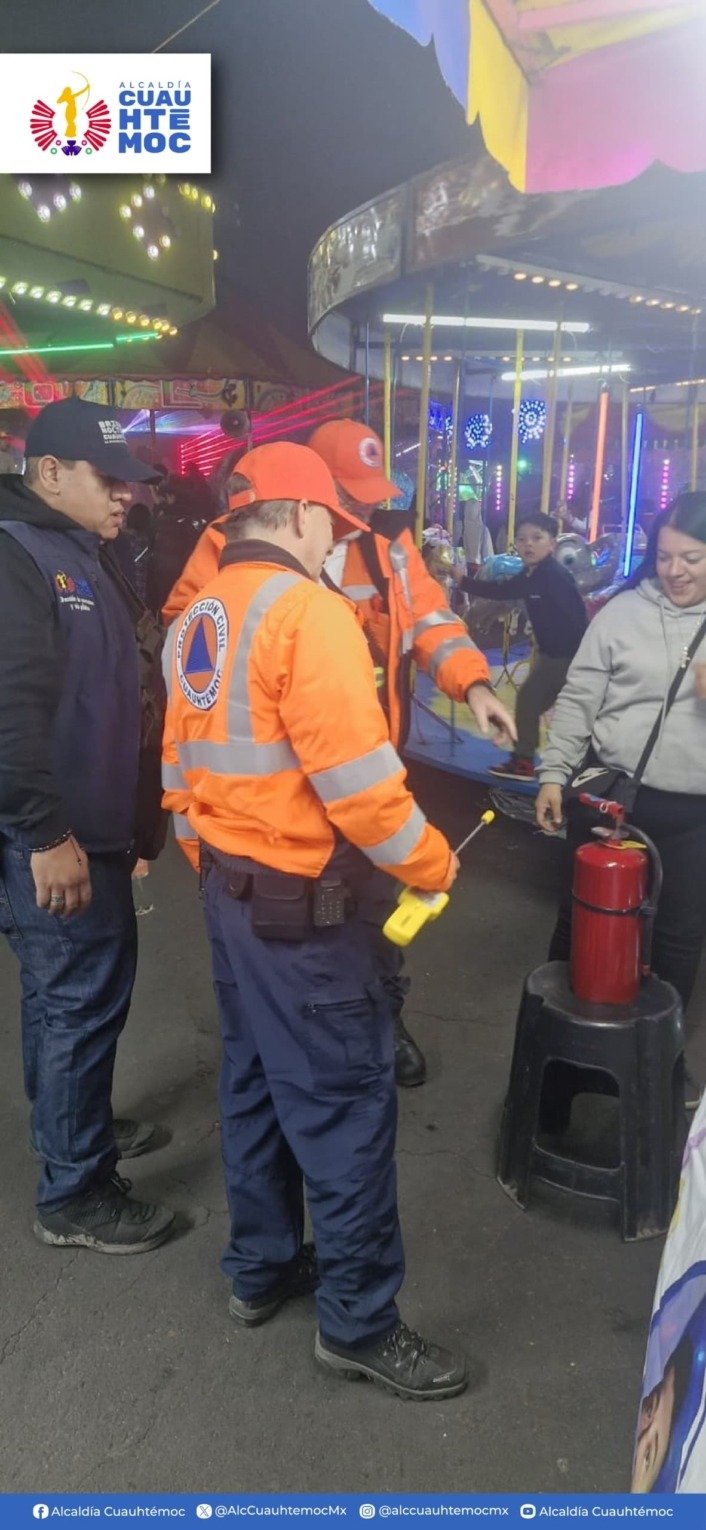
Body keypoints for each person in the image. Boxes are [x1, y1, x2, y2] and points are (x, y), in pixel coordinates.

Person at [162, 442, 469, 1400]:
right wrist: (433, 864)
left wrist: (221, 864)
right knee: (342, 1109)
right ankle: (359, 1324)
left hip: (229, 897)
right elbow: (364, 790)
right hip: (308, 917)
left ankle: (259, 1272)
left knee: (252, 1086)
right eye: (335, 529)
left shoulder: (196, 619)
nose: (340, 545)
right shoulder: (311, 614)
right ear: (299, 517)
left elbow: (177, 771)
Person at [163, 418, 516, 1087]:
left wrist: (471, 683)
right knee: (304, 944)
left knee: (376, 913)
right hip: (279, 800)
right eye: (345, 498)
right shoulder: (230, 542)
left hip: (367, 764)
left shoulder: (388, 547)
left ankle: (382, 1019)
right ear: (308, 497)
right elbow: (191, 651)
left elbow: (430, 621)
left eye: (368, 496)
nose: (358, 512)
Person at [0, 396, 175, 1254]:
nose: (125, 497)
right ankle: (75, 1189)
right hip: (56, 837)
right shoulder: (20, 558)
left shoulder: (89, 552)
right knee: (78, 1001)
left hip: (90, 829)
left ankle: (75, 1129)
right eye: (109, 481)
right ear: (49, 474)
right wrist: (43, 836)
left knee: (61, 998)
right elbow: (11, 711)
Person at [535, 493, 706, 1108]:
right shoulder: (623, 612)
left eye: (691, 557)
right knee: (581, 924)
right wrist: (554, 775)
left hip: (693, 814)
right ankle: (560, 1063)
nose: (675, 570)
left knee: (680, 940)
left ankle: (660, 1062)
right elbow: (579, 698)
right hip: (613, 799)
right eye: (664, 556)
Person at [459, 512, 587, 782]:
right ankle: (531, 760)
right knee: (535, 704)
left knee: (530, 702)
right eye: (522, 539)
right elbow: (499, 591)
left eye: (537, 538)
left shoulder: (555, 576)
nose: (528, 544)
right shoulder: (531, 575)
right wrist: (462, 581)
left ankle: (525, 762)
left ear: (552, 544)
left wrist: (581, 660)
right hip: (551, 654)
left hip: (565, 657)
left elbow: (577, 619)